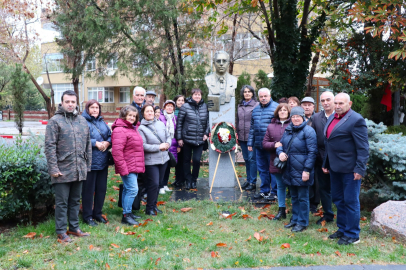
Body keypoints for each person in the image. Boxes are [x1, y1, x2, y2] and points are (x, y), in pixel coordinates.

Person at [45, 90, 92, 243]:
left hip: (79, 169)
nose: (70, 104)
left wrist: (87, 166)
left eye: (73, 102)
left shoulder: (82, 121)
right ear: (62, 102)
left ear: (76, 102)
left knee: (75, 201)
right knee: (62, 202)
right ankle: (60, 231)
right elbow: (49, 146)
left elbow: (87, 145)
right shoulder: (55, 121)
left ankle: (74, 227)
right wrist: (53, 169)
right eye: (67, 102)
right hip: (62, 170)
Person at [323, 93, 369, 245]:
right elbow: (329, 143)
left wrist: (359, 169)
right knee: (338, 199)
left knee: (350, 201)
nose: (337, 106)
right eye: (336, 102)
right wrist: (326, 163)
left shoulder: (356, 120)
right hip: (335, 168)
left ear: (350, 103)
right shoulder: (332, 117)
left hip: (350, 170)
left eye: (341, 103)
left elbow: (363, 148)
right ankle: (343, 229)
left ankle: (353, 234)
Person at [277, 106, 317, 232]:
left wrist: (307, 170)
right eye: (293, 117)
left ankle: (302, 222)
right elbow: (280, 144)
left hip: (302, 170)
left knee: (303, 197)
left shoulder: (309, 131)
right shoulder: (288, 130)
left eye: (298, 116)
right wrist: (280, 153)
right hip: (289, 169)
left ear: (303, 117)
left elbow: (312, 153)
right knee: (294, 196)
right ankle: (294, 220)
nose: (295, 119)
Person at [111, 105, 145, 225]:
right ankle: (126, 216)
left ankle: (128, 212)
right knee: (132, 189)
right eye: (130, 115)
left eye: (134, 116)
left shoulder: (132, 128)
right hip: (127, 165)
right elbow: (117, 152)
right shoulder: (120, 130)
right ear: (124, 115)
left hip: (133, 164)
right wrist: (123, 168)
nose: (132, 118)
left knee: (127, 189)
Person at [81, 100, 111, 227]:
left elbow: (110, 135)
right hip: (90, 162)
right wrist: (95, 143)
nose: (95, 110)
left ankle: (97, 213)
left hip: (103, 161)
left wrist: (108, 143)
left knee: (101, 189)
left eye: (97, 108)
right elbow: (81, 138)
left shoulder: (102, 121)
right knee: (88, 190)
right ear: (87, 109)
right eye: (92, 107)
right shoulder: (82, 121)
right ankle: (87, 216)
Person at [139, 105, 171, 215]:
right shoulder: (141, 128)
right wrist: (159, 147)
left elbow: (168, 136)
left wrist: (168, 144)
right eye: (147, 111)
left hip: (164, 159)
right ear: (143, 114)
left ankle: (154, 205)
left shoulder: (161, 123)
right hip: (150, 161)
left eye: (151, 111)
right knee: (154, 184)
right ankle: (149, 208)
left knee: (159, 184)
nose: (149, 113)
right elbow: (143, 146)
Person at [247, 88, 279, 201]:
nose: (263, 98)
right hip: (259, 145)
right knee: (262, 169)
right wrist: (250, 142)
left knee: (274, 169)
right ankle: (264, 190)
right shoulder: (255, 110)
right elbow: (252, 128)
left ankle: (274, 192)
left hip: (271, 146)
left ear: (270, 96)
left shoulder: (276, 108)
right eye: (261, 96)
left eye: (265, 96)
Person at [176, 88, 210, 190]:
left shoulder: (205, 106)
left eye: (199, 94)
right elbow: (179, 124)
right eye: (195, 94)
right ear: (192, 95)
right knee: (186, 161)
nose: (197, 96)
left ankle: (194, 179)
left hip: (200, 139)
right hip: (186, 139)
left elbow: (208, 122)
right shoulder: (185, 107)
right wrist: (179, 138)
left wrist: (206, 133)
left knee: (196, 160)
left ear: (201, 96)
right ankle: (188, 180)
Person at [262, 103, 291, 220]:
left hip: (292, 160)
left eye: (285, 110)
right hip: (277, 161)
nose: (282, 112)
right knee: (280, 186)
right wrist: (274, 145)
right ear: (277, 112)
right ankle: (281, 209)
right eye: (280, 110)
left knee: (293, 186)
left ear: (289, 112)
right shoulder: (271, 126)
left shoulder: (293, 124)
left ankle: (296, 211)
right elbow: (264, 143)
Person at [311, 91, 335, 225]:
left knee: (338, 189)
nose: (325, 103)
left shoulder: (341, 117)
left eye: (328, 100)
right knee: (324, 189)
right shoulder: (316, 117)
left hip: (338, 160)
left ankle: (343, 215)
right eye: (323, 101)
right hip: (321, 159)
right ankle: (328, 214)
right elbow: (313, 139)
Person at [236, 85, 259, 191]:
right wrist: (236, 134)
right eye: (245, 92)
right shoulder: (240, 106)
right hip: (242, 136)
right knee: (246, 159)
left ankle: (253, 182)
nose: (247, 93)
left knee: (252, 159)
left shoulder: (256, 105)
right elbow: (237, 120)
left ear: (253, 93)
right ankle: (248, 179)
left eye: (249, 92)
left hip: (252, 137)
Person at [158, 100, 178, 194]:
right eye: (168, 106)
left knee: (168, 166)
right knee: (162, 166)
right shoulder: (161, 117)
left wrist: (177, 145)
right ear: (164, 107)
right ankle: (160, 185)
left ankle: (165, 184)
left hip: (172, 145)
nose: (170, 108)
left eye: (171, 106)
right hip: (163, 144)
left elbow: (177, 131)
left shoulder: (175, 118)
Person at [172, 95, 185, 188]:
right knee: (177, 161)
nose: (180, 102)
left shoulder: (186, 111)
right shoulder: (173, 112)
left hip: (185, 139)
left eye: (182, 100)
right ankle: (178, 179)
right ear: (175, 102)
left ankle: (182, 179)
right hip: (175, 140)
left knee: (184, 161)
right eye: (178, 100)